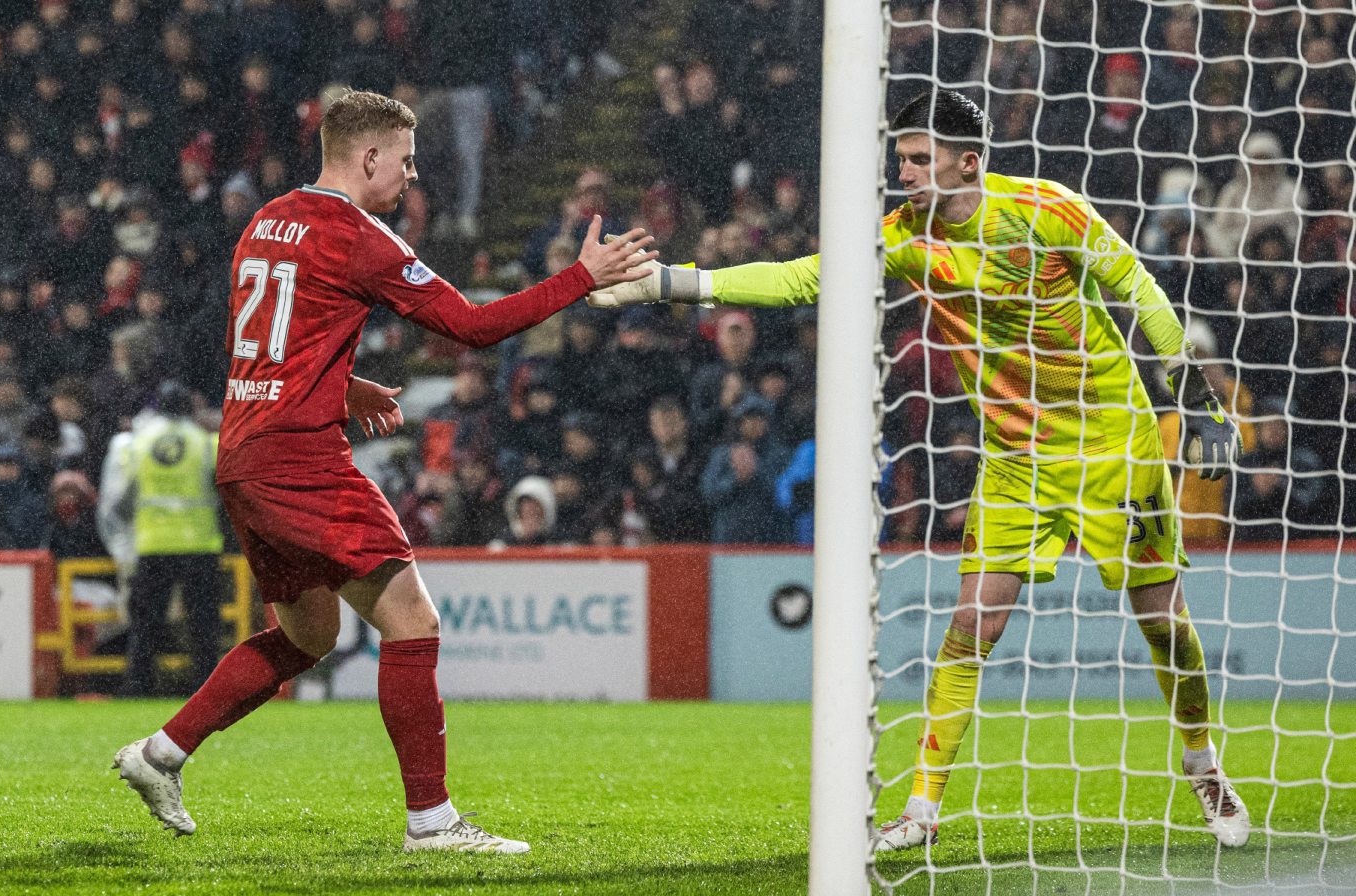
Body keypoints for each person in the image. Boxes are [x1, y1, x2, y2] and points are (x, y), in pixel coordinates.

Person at [589, 89, 1251, 851]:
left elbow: (1138, 287)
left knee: (1164, 626)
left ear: (967, 162)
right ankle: (922, 811)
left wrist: (1194, 398)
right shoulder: (903, 238)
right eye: (898, 157)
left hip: (1113, 447)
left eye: (917, 158)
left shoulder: (1048, 211)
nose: (901, 172)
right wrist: (671, 282)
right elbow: (803, 277)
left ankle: (1202, 761)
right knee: (972, 625)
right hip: (1015, 459)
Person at [112, 89, 654, 853]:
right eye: (404, 159)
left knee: (307, 634)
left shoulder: (266, 220)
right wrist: (579, 278)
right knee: (413, 620)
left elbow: (267, 343)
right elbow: (469, 328)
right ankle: (432, 823)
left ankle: (158, 755)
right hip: (301, 457)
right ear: (368, 157)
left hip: (244, 454)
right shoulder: (359, 235)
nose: (411, 174)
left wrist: (344, 382)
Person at [101, 382, 225, 698]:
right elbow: (226, 491)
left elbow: (120, 501)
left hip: (153, 545)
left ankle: (139, 686)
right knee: (203, 627)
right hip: (200, 545)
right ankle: (207, 691)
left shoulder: (138, 444)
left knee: (146, 625)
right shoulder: (207, 443)